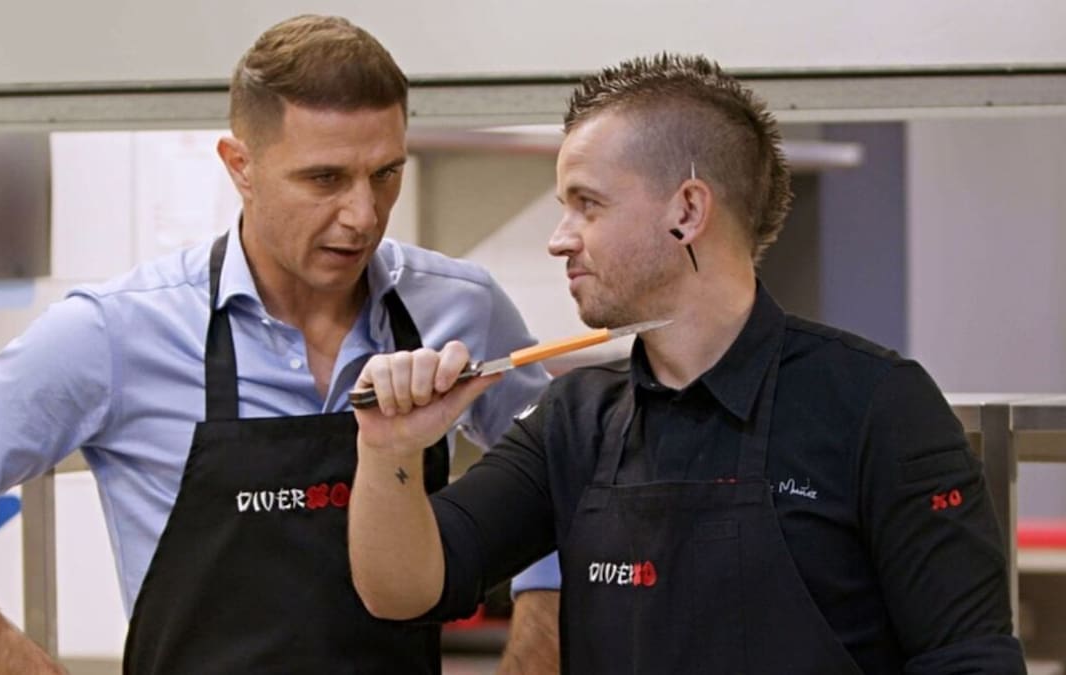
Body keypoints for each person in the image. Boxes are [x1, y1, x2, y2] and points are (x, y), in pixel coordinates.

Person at [0, 15, 560, 674]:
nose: (363, 214)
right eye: (324, 178)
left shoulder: (459, 308)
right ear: (240, 165)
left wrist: (535, 652)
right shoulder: (117, 332)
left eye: (385, 173)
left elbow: (565, 486)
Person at [347, 53, 1028, 673]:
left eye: (587, 204)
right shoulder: (574, 421)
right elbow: (405, 589)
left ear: (688, 211)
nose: (560, 239)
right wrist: (387, 450)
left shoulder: (879, 407)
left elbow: (971, 661)